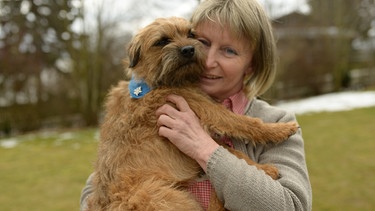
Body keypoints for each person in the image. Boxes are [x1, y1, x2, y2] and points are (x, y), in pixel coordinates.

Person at [80, 0, 312, 210]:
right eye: (202, 42)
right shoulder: (147, 105)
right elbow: (98, 192)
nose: (209, 61)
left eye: (229, 51)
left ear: (251, 65)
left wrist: (206, 150)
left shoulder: (278, 122)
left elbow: (291, 206)